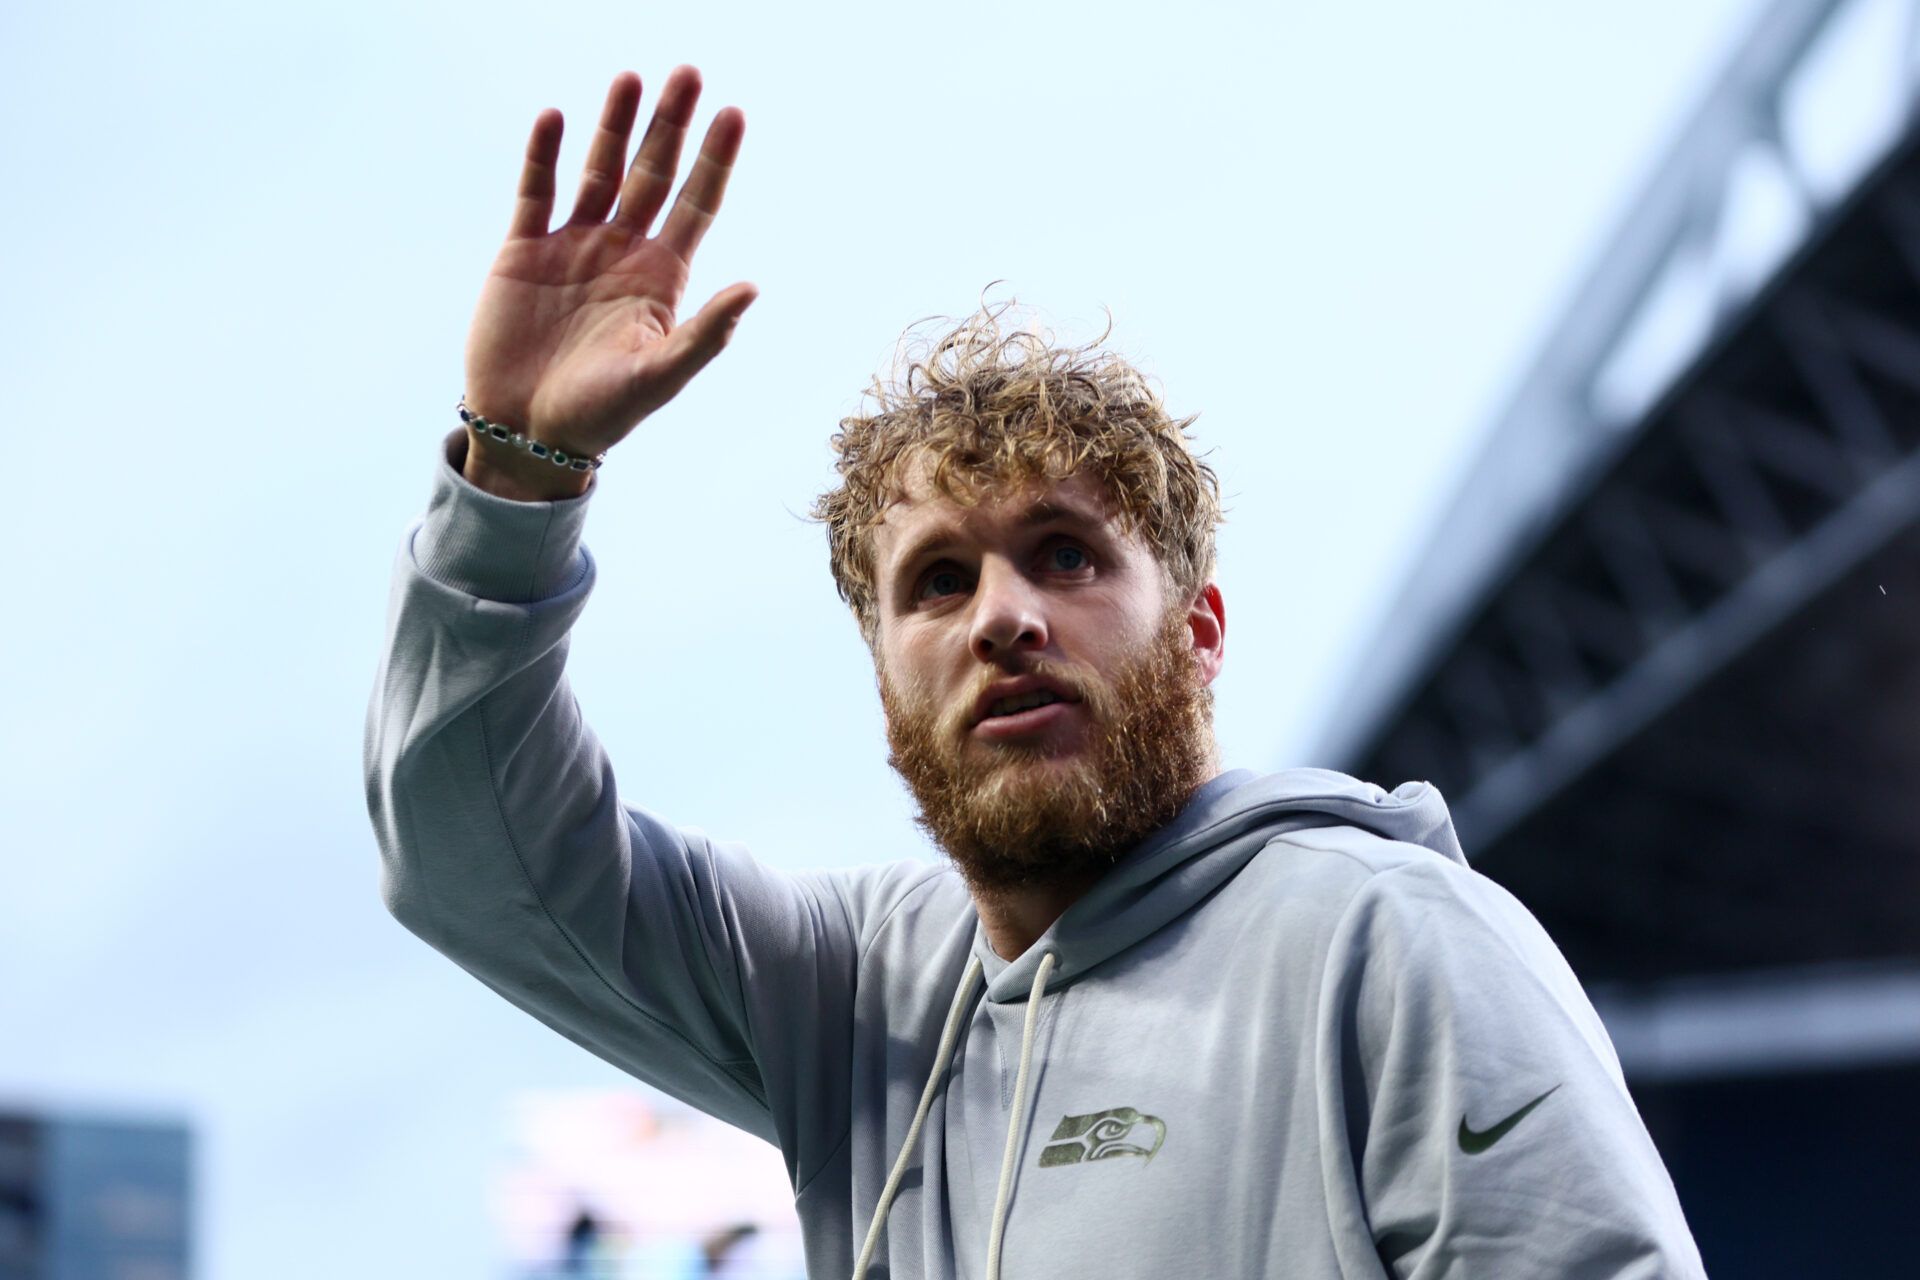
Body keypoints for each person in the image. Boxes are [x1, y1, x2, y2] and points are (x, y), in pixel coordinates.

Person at [364, 66, 1707, 1280]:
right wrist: (514, 478)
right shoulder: (852, 993)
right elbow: (475, 856)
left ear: (1199, 628)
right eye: (938, 581)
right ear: (886, 673)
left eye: (1064, 555)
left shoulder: (1387, 941)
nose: (1002, 616)